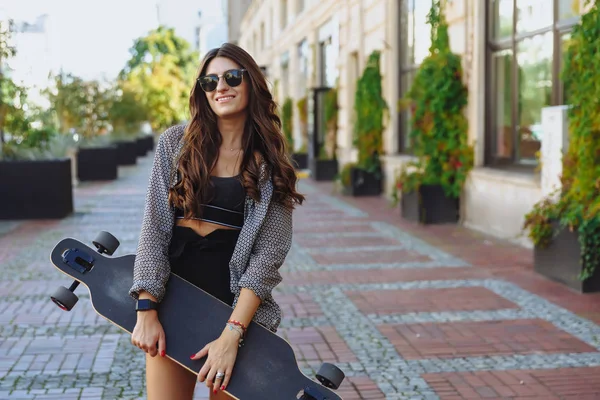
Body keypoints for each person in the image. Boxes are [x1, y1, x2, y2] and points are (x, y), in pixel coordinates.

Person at [128, 42, 305, 400]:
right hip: (174, 305)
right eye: (209, 82)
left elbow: (266, 258)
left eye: (231, 77)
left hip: (234, 313)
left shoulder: (272, 163)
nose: (220, 87)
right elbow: (155, 228)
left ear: (251, 82)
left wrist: (232, 335)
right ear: (202, 92)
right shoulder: (175, 144)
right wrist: (146, 308)